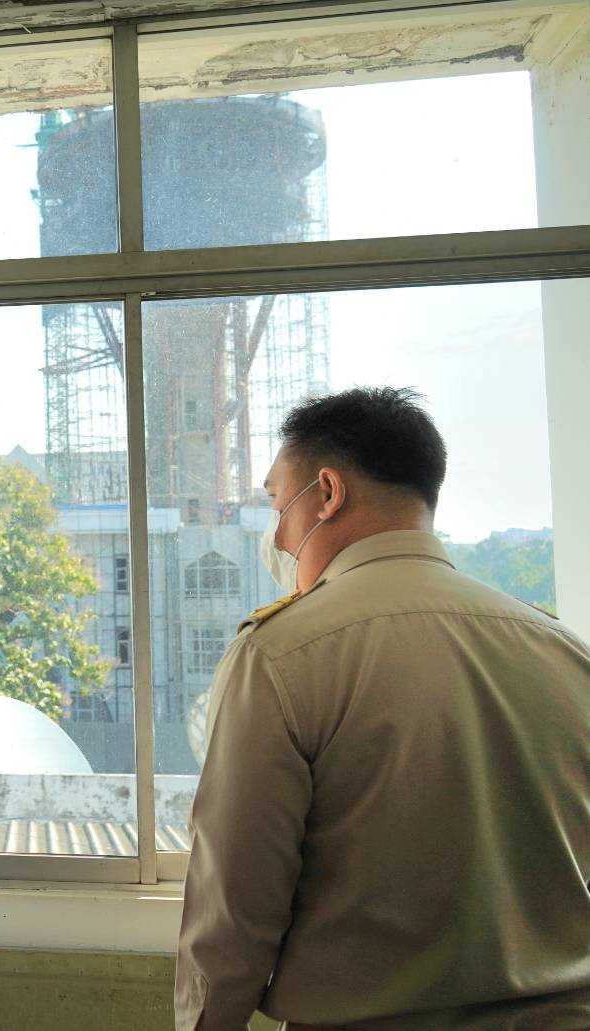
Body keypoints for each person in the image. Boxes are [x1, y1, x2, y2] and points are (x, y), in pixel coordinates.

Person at [175, 387, 590, 1029]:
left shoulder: (281, 656)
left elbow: (235, 904)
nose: (277, 536)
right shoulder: (561, 649)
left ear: (327, 493)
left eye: (278, 507)